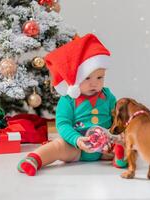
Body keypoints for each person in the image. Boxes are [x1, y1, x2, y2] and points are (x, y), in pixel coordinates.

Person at [17, 33, 121, 176]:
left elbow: (117, 120)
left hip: (103, 147)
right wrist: (77, 140)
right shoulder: (68, 100)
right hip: (75, 147)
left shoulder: (108, 96)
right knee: (57, 146)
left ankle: (121, 157)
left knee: (125, 143)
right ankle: (34, 159)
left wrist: (113, 137)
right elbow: (63, 124)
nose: (94, 83)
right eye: (87, 78)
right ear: (76, 79)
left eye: (100, 77)